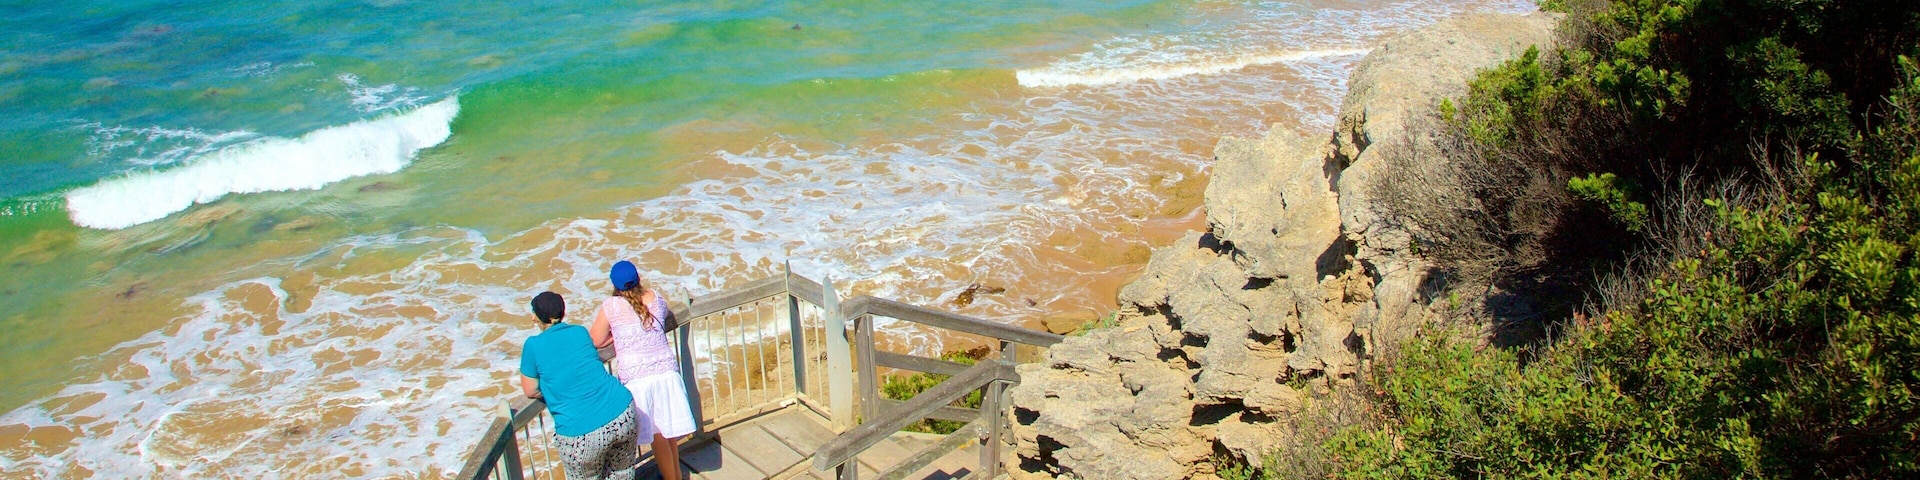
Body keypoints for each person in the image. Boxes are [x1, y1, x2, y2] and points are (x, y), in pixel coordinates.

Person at [589, 261, 696, 480]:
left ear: (615, 285)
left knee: (657, 435)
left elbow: (596, 339)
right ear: (638, 278)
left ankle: (671, 478)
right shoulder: (655, 298)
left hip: (639, 379)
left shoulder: (611, 306)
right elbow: (657, 318)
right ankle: (675, 475)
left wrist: (616, 336)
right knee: (667, 434)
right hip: (666, 372)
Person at [520, 291, 638, 480]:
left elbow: (530, 390)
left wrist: (554, 386)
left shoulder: (533, 345)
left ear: (538, 318)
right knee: (623, 474)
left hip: (581, 433)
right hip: (622, 412)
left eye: (533, 313)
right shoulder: (579, 331)